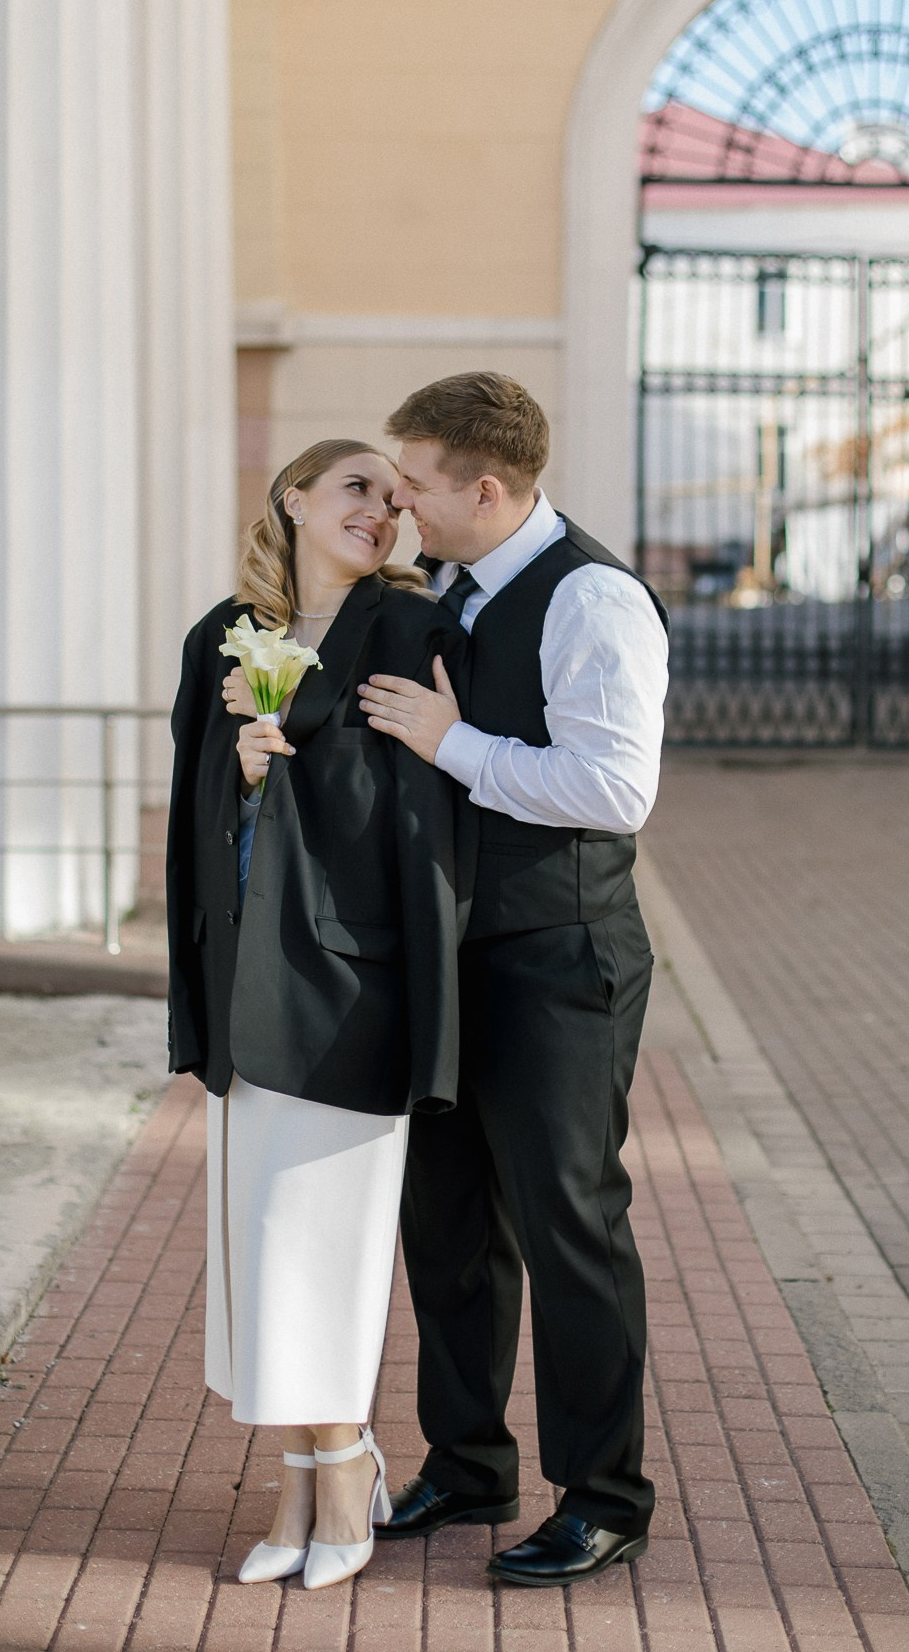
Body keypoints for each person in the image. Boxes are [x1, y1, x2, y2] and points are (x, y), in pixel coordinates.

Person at [358, 372, 669, 1589]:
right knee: (446, 1224)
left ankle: (604, 1497)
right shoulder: (440, 585)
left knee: (568, 1226)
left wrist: (457, 746)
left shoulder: (594, 597)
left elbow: (613, 789)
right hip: (450, 958)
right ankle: (470, 1464)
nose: (403, 507)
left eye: (419, 487)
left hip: (559, 959)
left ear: (486, 489)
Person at [166, 439, 464, 1590]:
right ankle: (302, 1480)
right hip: (248, 984)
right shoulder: (221, 637)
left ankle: (340, 1467)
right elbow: (194, 816)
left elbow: (419, 821)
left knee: (326, 1243)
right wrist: (241, 769)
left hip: (352, 988)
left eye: (395, 503)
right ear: (295, 496)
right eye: (358, 490)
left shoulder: (413, 630)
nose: (382, 514)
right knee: (262, 1245)